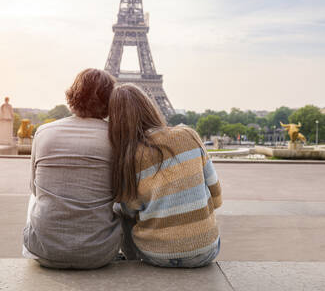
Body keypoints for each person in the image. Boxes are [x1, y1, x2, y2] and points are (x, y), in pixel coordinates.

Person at [108, 84, 222, 268]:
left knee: (119, 208)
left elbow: (130, 210)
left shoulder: (128, 158)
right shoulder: (188, 135)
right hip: (205, 251)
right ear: (149, 106)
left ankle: (132, 259)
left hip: (154, 255)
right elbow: (215, 193)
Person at [23, 68, 121, 269]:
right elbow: (121, 194)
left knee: (37, 196)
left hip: (43, 250)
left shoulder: (43, 132)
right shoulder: (115, 137)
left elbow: (34, 188)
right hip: (99, 253)